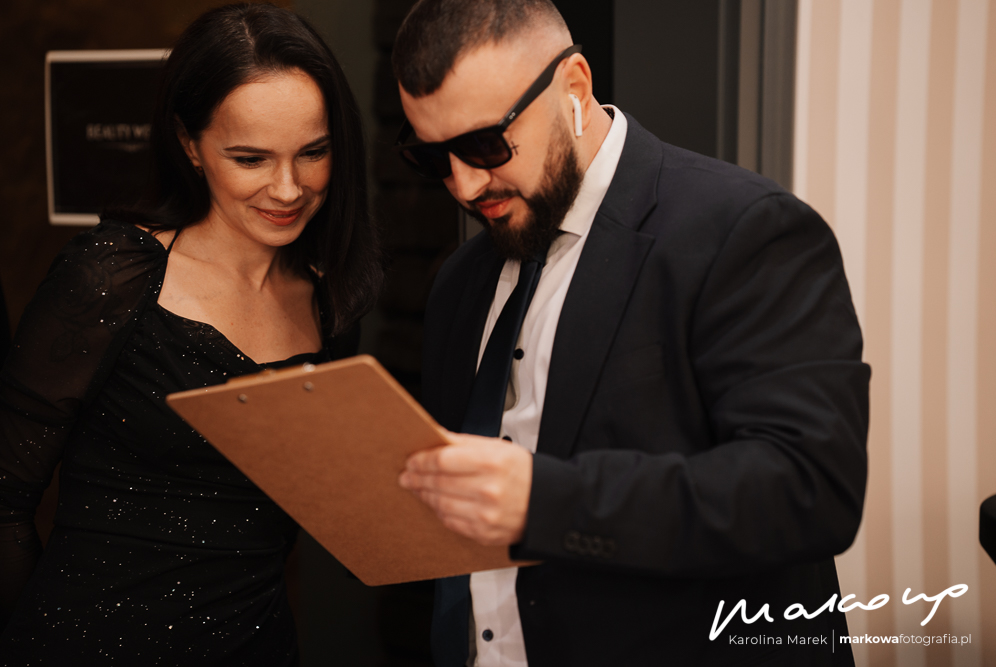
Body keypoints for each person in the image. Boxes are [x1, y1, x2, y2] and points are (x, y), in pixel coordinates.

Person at [392, 1, 868, 665]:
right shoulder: (460, 280)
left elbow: (808, 489)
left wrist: (543, 500)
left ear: (574, 86)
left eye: (485, 145)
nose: (466, 185)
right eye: (435, 158)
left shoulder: (745, 230)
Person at [0, 3, 382, 663]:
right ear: (189, 144)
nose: (288, 188)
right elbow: (5, 497)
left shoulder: (328, 299)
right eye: (250, 158)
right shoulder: (113, 275)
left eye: (313, 153)